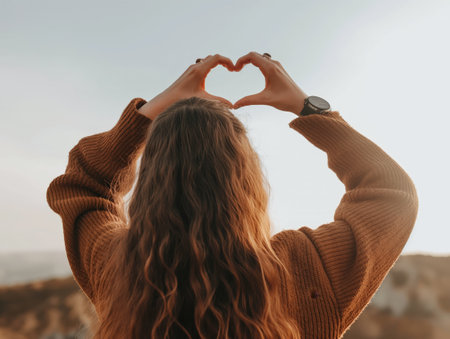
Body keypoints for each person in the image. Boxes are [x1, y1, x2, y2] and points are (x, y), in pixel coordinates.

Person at [46, 52, 419, 339]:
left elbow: (84, 183)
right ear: (248, 176)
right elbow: (390, 194)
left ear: (150, 178)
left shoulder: (121, 269)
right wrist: (307, 107)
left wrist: (150, 113)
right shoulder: (306, 269)